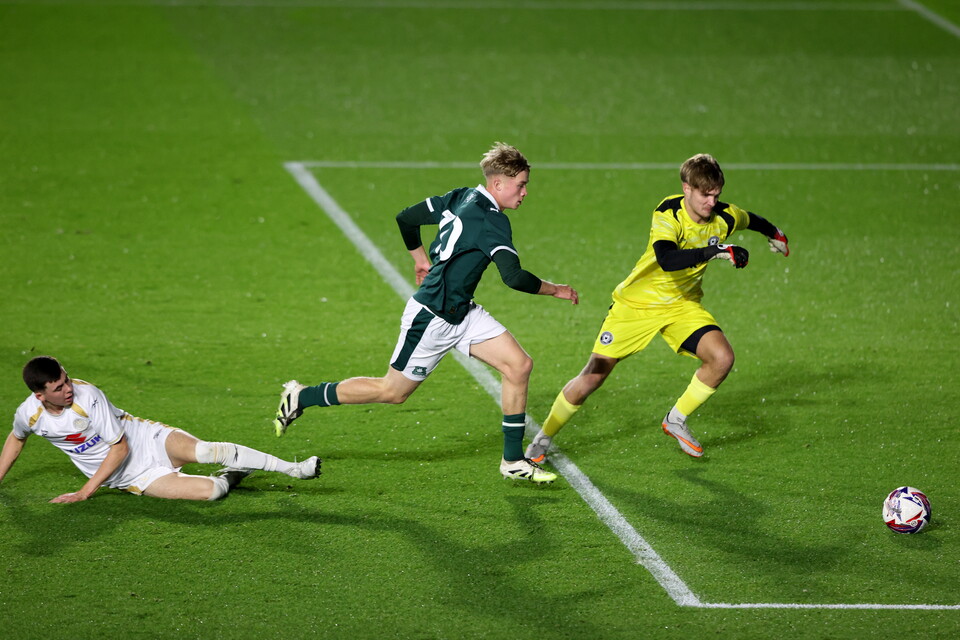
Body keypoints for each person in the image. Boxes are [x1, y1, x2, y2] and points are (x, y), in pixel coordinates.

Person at [273, 142, 579, 483]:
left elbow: (406, 218)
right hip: (432, 317)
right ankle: (302, 395)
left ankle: (512, 461)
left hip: (462, 312)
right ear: (498, 184)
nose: (524, 193)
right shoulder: (493, 222)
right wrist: (557, 289)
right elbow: (514, 277)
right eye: (520, 185)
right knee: (393, 392)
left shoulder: (462, 196)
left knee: (519, 366)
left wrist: (420, 259)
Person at [525, 153, 790, 462]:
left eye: (717, 194)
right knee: (594, 376)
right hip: (636, 305)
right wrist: (716, 251)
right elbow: (667, 259)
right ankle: (543, 439)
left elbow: (752, 220)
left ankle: (675, 419)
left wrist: (775, 235)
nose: (711, 202)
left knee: (722, 358)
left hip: (681, 305)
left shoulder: (724, 215)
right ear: (687, 188)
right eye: (705, 194)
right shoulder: (669, 212)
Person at [0, 356, 322, 502]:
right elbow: (16, 439)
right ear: (40, 395)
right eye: (58, 388)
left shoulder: (88, 396)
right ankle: (232, 475)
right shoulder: (29, 415)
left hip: (142, 440)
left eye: (67, 379)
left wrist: (85, 492)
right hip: (128, 476)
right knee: (212, 492)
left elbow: (121, 447)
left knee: (206, 450)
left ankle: (294, 469)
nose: (68, 389)